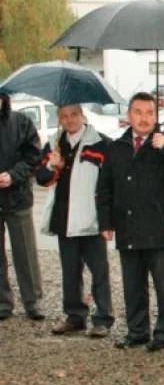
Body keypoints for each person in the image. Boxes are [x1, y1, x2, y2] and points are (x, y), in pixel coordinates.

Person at [98, 93, 164, 352]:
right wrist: (105, 222)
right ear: (129, 116)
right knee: (132, 286)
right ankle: (137, 331)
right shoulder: (117, 147)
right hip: (128, 227)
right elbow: (105, 187)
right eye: (138, 113)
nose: (144, 118)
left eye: (150, 113)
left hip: (160, 227)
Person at [35, 104, 113, 337]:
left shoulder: (101, 143)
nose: (69, 120)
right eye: (64, 116)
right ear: (59, 119)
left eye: (73, 115)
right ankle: (75, 316)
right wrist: (52, 166)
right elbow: (41, 179)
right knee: (69, 271)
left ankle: (103, 318)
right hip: (64, 217)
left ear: (82, 116)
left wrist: (107, 219)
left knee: (99, 271)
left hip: (91, 217)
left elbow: (109, 183)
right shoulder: (54, 144)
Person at [0, 93, 45, 322]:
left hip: (18, 197)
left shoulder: (21, 122)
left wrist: (13, 175)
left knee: (25, 252)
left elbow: (34, 156)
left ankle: (33, 301)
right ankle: (2, 303)